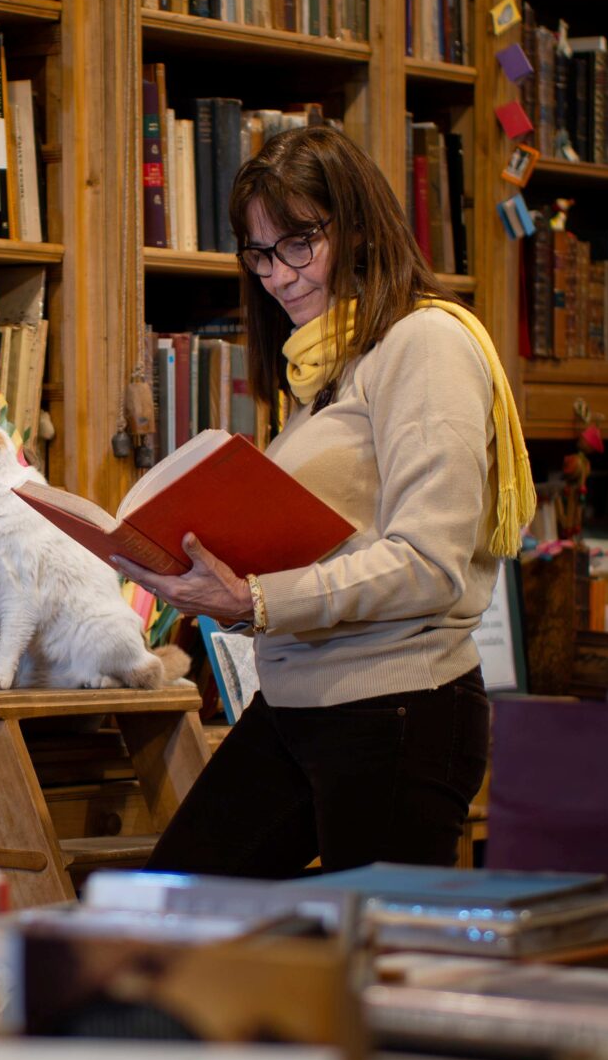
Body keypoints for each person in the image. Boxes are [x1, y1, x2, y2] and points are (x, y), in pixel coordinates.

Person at [122, 121, 535, 877]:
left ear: (359, 226)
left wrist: (254, 600)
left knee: (376, 966)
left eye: (297, 245)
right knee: (171, 906)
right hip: (301, 704)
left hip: (399, 706)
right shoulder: (328, 366)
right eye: (258, 253)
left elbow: (429, 564)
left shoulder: (425, 344)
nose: (277, 276)